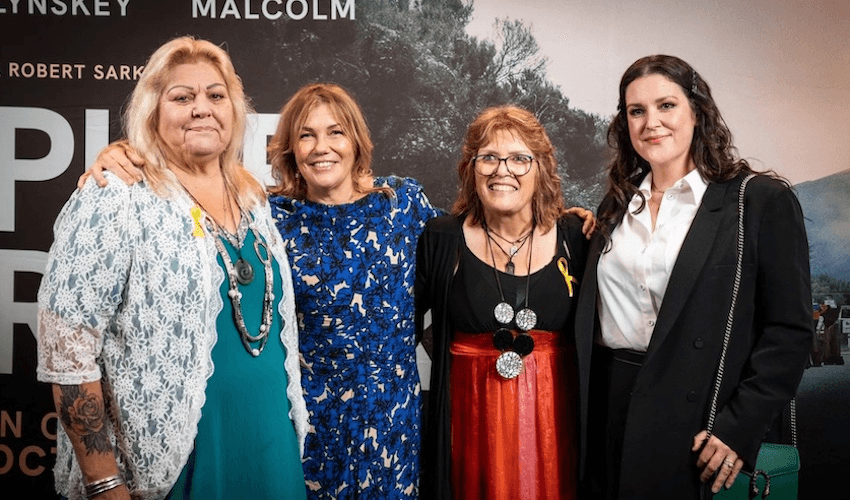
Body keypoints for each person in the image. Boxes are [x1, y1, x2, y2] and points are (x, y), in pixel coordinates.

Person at [82, 83, 596, 499]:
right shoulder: (266, 215)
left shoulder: (403, 205)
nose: (321, 147)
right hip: (304, 425)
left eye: (335, 133)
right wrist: (124, 157)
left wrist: (565, 220)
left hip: (392, 424)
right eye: (305, 136)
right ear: (289, 149)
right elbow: (192, 175)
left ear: (356, 142)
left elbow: (480, 234)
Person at [37, 37, 309, 500]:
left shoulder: (253, 200)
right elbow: (66, 348)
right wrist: (104, 484)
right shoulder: (116, 196)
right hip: (177, 469)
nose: (202, 108)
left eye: (216, 95)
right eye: (182, 97)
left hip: (268, 450)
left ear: (235, 110)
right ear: (153, 113)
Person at [575, 55, 813, 499]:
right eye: (637, 111)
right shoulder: (614, 208)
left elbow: (790, 331)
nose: (652, 123)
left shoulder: (758, 201)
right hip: (607, 409)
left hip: (701, 419)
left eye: (666, 106)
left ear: (697, 112)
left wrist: (737, 428)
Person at [416, 105, 590, 499]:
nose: (502, 170)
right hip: (469, 424)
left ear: (541, 168)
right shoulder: (440, 238)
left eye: (518, 159)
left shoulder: (577, 236)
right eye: (488, 158)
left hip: (552, 427)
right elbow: (399, 328)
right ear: (470, 168)